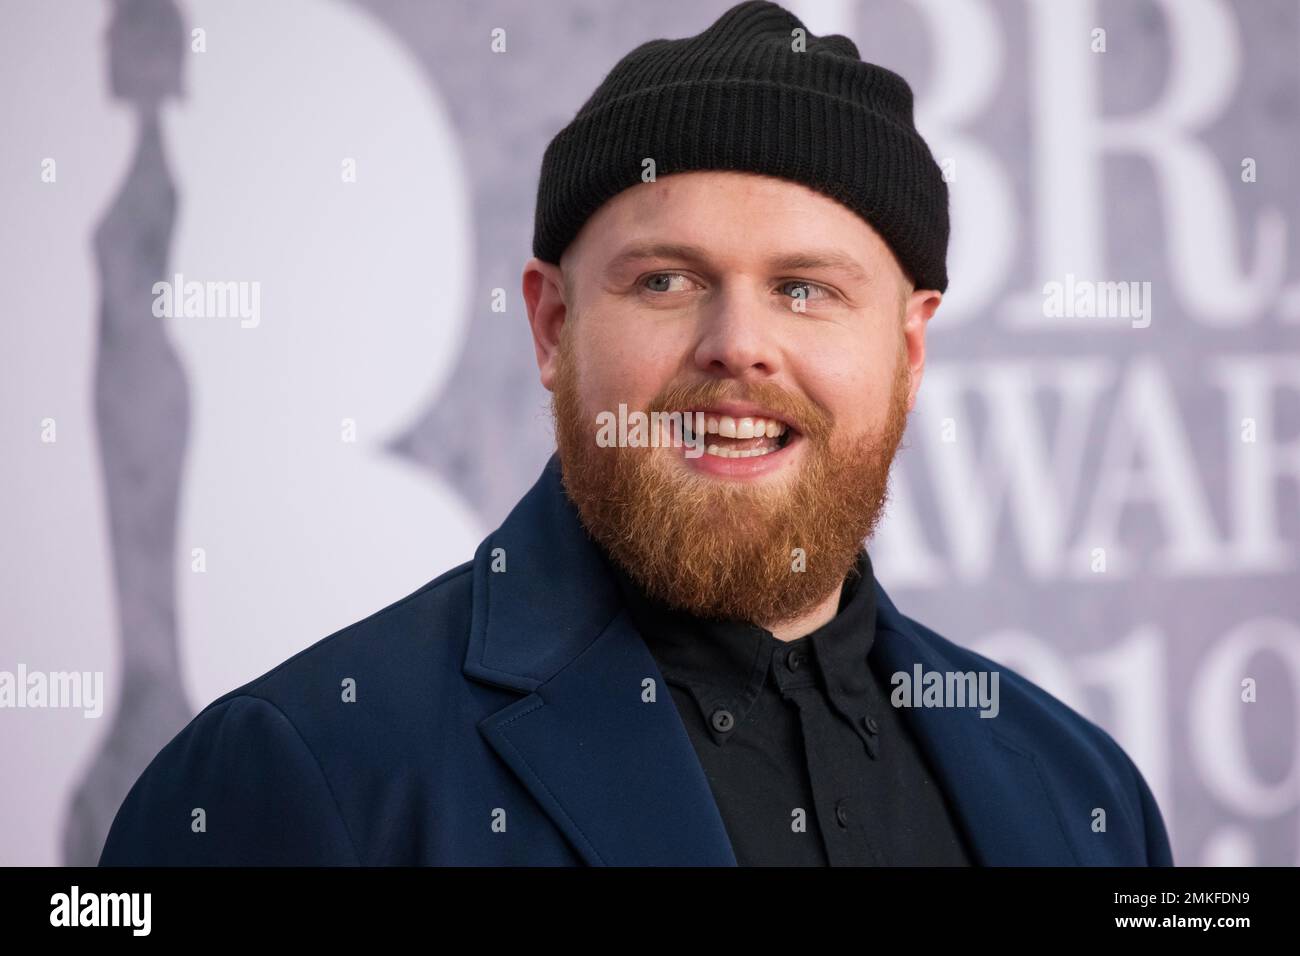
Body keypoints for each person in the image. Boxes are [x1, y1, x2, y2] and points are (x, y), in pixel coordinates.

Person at [99, 0, 1173, 866]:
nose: (738, 344)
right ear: (554, 326)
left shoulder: (1082, 791)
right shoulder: (302, 774)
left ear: (908, 348)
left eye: (805, 289)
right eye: (666, 279)